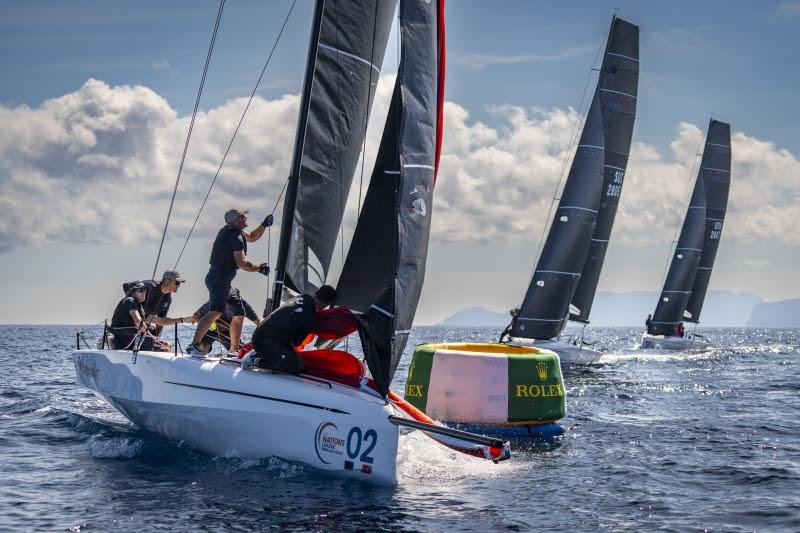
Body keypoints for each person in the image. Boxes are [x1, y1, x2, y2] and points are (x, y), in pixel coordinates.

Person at [186, 208, 273, 355]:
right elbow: (242, 263)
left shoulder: (235, 231)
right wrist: (259, 268)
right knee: (215, 312)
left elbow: (251, 236)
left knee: (239, 312)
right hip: (218, 279)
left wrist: (264, 224)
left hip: (224, 281)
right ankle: (193, 345)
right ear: (236, 220)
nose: (245, 218)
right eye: (242, 217)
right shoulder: (234, 237)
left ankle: (234, 350)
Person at [242, 285, 337, 374]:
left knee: (289, 353)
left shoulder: (302, 297)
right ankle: (255, 360)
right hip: (265, 343)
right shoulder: (311, 318)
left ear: (316, 293)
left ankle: (260, 354)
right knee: (296, 366)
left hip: (258, 335)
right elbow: (296, 342)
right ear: (327, 304)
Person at [192, 287, 261, 354]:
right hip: (210, 331)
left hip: (228, 334)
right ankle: (196, 352)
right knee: (204, 347)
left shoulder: (243, 305)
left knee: (240, 352)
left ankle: (233, 354)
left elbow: (258, 322)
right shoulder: (214, 301)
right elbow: (195, 316)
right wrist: (211, 325)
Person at [123, 271, 193, 336]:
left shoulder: (168, 299)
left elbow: (161, 321)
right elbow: (126, 286)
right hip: (130, 322)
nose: (179, 286)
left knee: (154, 332)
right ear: (167, 281)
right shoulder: (149, 286)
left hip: (144, 324)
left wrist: (157, 339)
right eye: (177, 283)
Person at [110, 282, 158, 351]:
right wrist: (151, 336)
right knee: (150, 340)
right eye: (140, 290)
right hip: (123, 342)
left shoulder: (138, 305)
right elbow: (138, 321)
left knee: (154, 331)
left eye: (144, 290)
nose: (143, 292)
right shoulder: (130, 301)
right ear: (133, 293)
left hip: (131, 339)